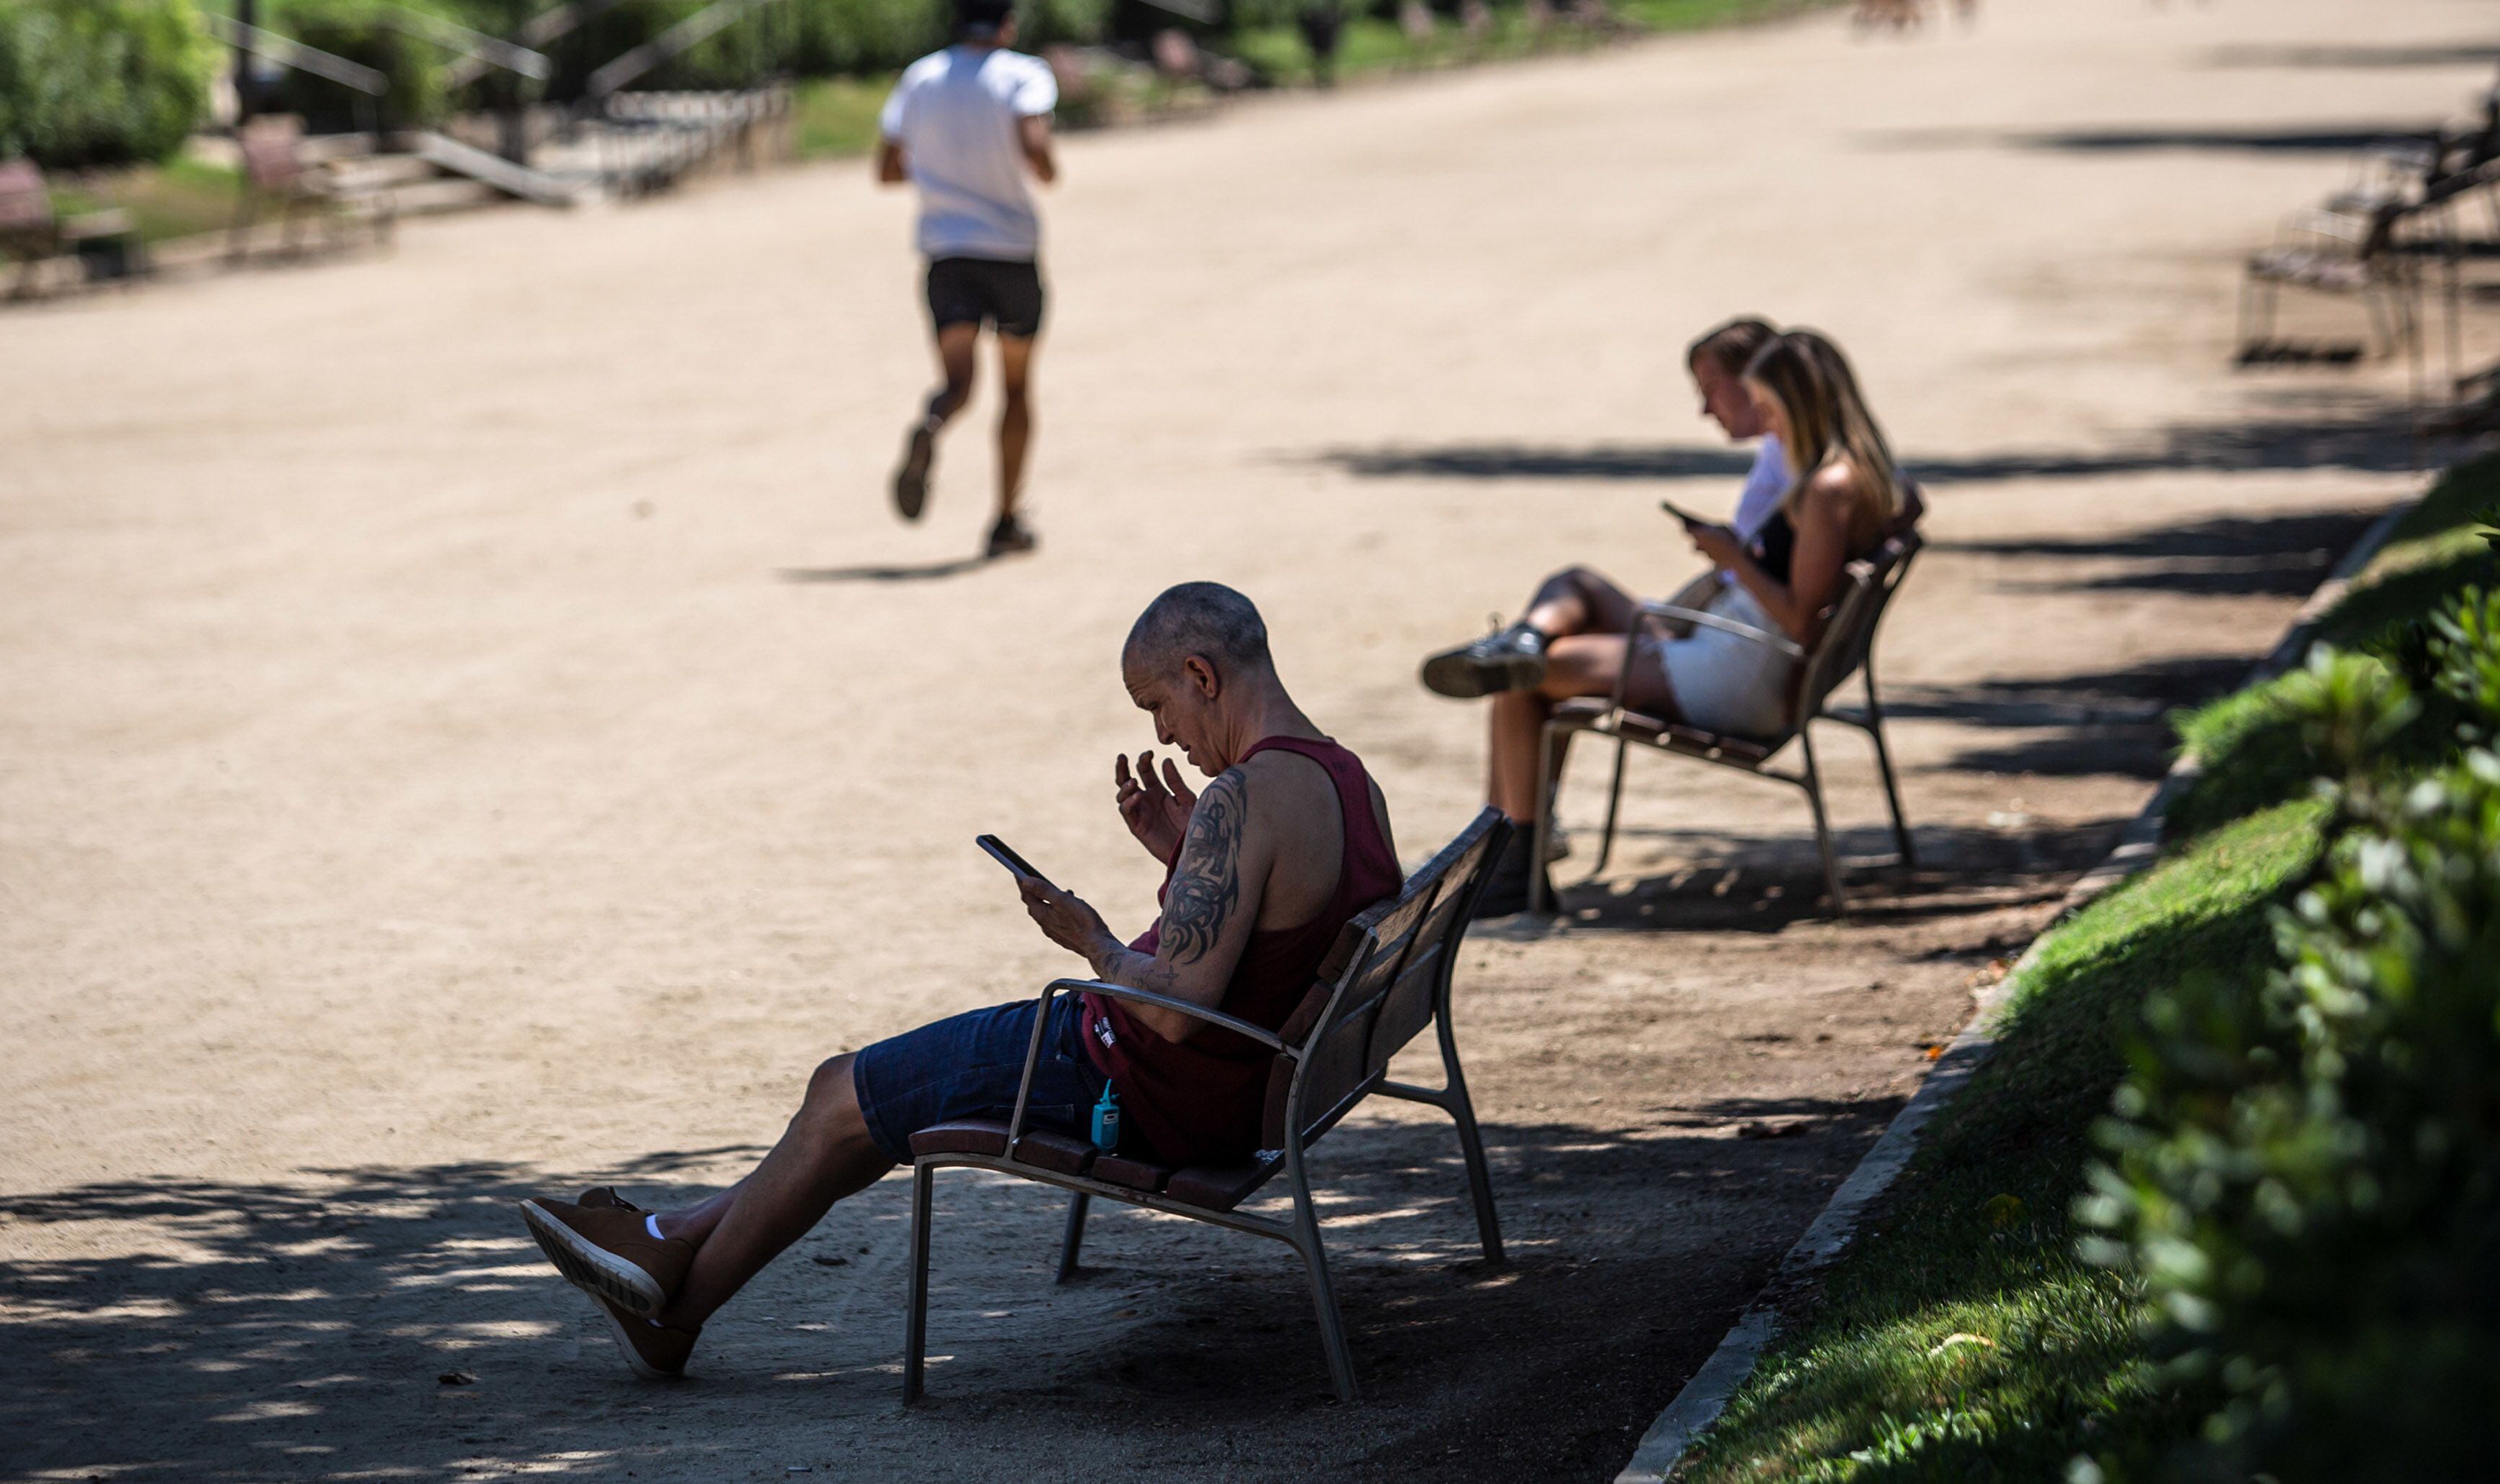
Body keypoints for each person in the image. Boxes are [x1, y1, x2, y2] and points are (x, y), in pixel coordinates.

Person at [514, 582, 1402, 1379]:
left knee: (840, 1097)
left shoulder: (1241, 800)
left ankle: (675, 1304)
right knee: (860, 1113)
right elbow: (1278, 927)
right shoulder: (1346, 779)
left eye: (1158, 705)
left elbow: (1173, 1013)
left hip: (1130, 1077)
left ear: (1202, 674)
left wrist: (1089, 939)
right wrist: (1182, 856)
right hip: (1236, 1086)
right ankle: (663, 1243)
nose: (1163, 733)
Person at [1419, 331, 1905, 907]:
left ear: (1802, 403)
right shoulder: (1859, 474)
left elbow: (1799, 620)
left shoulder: (1828, 487)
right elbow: (1899, 511)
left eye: (1772, 408)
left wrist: (1732, 559)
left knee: (1523, 679)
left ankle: (1510, 865)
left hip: (1736, 670)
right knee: (1556, 613)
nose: (1768, 424)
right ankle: (1510, 848)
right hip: (1735, 649)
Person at [877, 0, 1059, 558]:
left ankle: (933, 422)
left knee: (958, 384)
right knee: (1015, 388)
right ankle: (1005, 518)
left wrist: (937, 171)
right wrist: (1045, 164)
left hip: (946, 254)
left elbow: (886, 167)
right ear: (1008, 24)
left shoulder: (922, 76)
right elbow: (1037, 151)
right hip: (1009, 252)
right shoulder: (1022, 74)